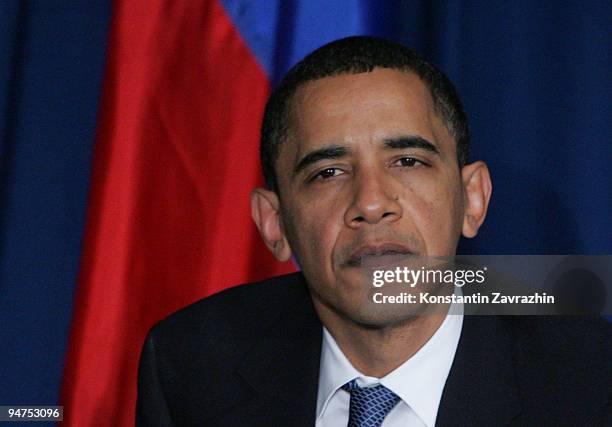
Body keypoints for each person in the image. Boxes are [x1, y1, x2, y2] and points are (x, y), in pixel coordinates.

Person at [136, 36, 612, 426]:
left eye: (407, 161)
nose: (370, 203)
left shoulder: (593, 385)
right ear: (274, 223)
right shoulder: (192, 365)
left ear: (471, 199)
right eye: (328, 172)